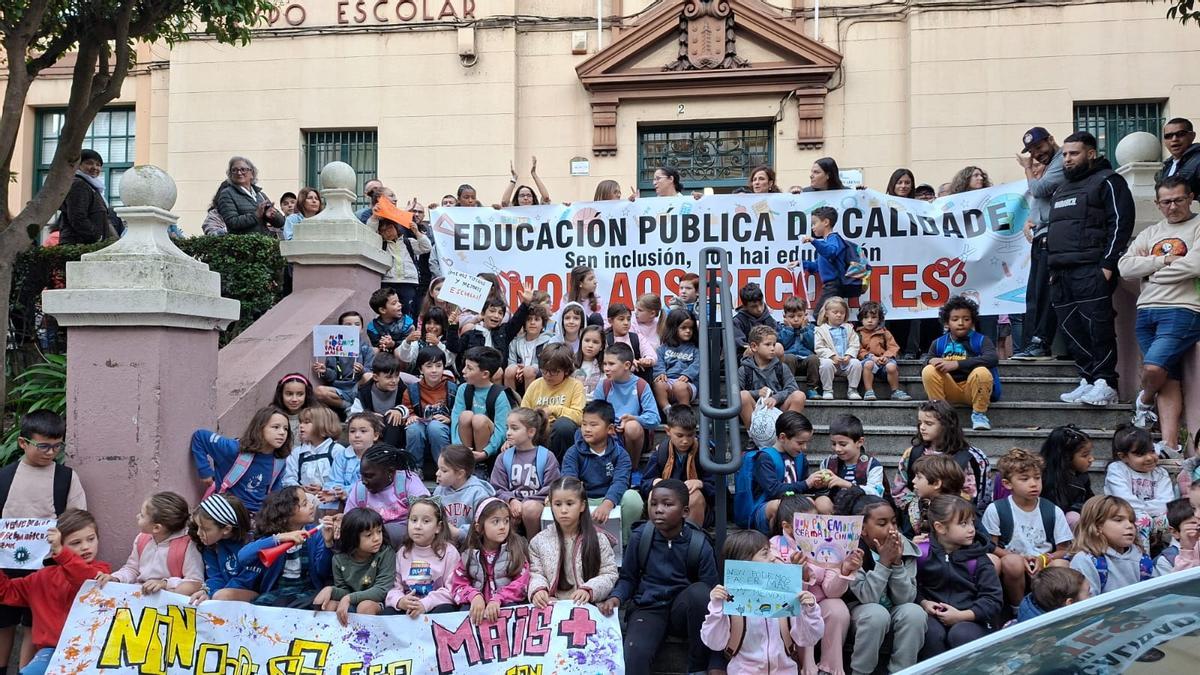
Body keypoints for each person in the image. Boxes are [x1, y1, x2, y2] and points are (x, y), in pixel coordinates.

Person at [1048, 130, 1135, 406]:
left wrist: (1108, 265)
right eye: (1064, 155)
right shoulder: (1061, 188)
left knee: (1098, 327)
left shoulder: (1108, 181)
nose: (1067, 159)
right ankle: (1087, 378)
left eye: (1074, 153)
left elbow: (1120, 223)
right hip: (1061, 272)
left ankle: (1106, 382)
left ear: (1091, 154)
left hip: (1091, 269)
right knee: (1072, 328)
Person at [599, 480, 720, 675]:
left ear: (685, 511)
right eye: (654, 504)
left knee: (700, 593)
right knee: (634, 656)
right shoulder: (640, 537)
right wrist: (616, 597)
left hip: (683, 612)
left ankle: (698, 667)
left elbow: (711, 594)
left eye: (667, 504)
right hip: (649, 608)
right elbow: (628, 578)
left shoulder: (699, 543)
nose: (659, 510)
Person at [1119, 176, 1200, 457]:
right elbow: (1125, 267)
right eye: (1166, 202)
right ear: (1157, 204)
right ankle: (1170, 445)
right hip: (1146, 311)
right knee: (1167, 377)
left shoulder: (1198, 226)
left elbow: (1197, 264)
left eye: (1178, 200)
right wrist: (1163, 261)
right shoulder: (1150, 232)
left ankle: (1143, 402)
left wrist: (1151, 273)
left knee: (1153, 369)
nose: (1172, 206)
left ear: (1191, 198)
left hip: (1183, 310)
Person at [0, 510, 109, 675]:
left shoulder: (101, 571)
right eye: (76, 542)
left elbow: (86, 582)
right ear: (55, 545)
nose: (86, 546)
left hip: (89, 652)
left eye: (91, 539)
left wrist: (62, 553)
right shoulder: (41, 577)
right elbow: (6, 592)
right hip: (50, 652)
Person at [701, 530, 824, 675]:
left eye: (771, 551)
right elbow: (713, 642)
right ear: (745, 562)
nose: (773, 558)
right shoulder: (729, 600)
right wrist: (716, 608)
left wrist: (809, 611)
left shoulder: (786, 596)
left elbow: (808, 638)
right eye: (765, 553)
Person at [769, 495, 854, 675]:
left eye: (815, 521)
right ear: (787, 526)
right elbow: (782, 591)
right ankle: (806, 667)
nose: (812, 527)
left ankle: (831, 668)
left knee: (837, 608)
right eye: (804, 523)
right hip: (791, 605)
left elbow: (832, 592)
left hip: (821, 602)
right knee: (800, 610)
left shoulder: (828, 543)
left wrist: (844, 570)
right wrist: (801, 574)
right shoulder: (775, 546)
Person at [982, 448, 1073, 614]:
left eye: (1037, 478)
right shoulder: (997, 509)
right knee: (1012, 563)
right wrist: (1019, 558)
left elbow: (1064, 549)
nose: (1033, 483)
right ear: (1007, 484)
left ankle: (1055, 609)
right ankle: (1018, 609)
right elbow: (991, 547)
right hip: (1013, 562)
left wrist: (1045, 558)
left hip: (1044, 561)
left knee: (1061, 565)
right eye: (1024, 479)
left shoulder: (1052, 510)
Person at [845, 497, 927, 675]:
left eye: (894, 522)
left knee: (914, 613)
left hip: (893, 608)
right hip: (860, 611)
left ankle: (903, 671)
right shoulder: (853, 551)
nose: (891, 529)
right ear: (863, 529)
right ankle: (861, 672)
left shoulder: (904, 548)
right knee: (876, 614)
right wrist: (883, 563)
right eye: (882, 524)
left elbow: (905, 598)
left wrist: (897, 564)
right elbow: (867, 597)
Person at [916, 495, 1002, 658]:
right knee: (930, 632)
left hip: (973, 620)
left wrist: (961, 616)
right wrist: (924, 602)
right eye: (963, 524)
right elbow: (911, 588)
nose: (971, 529)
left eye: (972, 522)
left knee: (960, 633)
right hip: (933, 616)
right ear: (940, 528)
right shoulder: (923, 554)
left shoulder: (979, 559)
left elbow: (993, 600)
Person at [1013, 126, 1067, 361]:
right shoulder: (1050, 164)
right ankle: (1032, 344)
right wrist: (1030, 221)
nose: (1036, 154)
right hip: (1042, 235)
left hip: (1053, 237)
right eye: (1032, 151)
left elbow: (1039, 189)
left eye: (1039, 147)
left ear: (1051, 140)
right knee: (1035, 294)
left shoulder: (1060, 160)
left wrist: (1027, 170)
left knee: (1044, 294)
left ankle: (1040, 343)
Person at [233, 487, 335, 606]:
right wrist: (278, 538)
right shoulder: (274, 538)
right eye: (304, 504)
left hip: (307, 593)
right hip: (276, 594)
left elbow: (321, 572)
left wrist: (328, 544)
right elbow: (243, 557)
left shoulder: (316, 535)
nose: (311, 505)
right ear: (287, 513)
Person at [528, 476, 619, 607]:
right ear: (550, 505)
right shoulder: (538, 542)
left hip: (587, 605)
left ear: (582, 505)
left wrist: (589, 590)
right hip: (552, 605)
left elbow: (609, 573)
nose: (563, 510)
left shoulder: (598, 539)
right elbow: (536, 573)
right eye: (558, 504)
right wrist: (539, 590)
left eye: (570, 504)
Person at [562, 400, 645, 543]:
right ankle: (572, 543)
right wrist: (580, 501)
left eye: (593, 425)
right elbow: (570, 480)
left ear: (610, 429)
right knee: (559, 499)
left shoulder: (621, 455)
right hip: (583, 499)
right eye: (584, 424)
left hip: (610, 498)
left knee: (633, 498)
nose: (587, 429)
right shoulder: (573, 452)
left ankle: (624, 543)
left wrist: (608, 503)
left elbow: (621, 482)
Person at [892, 400, 991, 520]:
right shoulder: (912, 453)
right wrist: (918, 510)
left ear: (946, 425)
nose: (922, 428)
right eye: (920, 423)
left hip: (956, 520)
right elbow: (899, 488)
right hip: (917, 522)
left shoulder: (971, 457)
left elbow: (978, 498)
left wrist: (942, 509)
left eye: (929, 423)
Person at [99, 492, 204, 596]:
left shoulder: (187, 545)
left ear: (156, 528)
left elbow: (195, 582)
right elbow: (132, 569)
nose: (137, 516)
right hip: (140, 595)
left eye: (142, 515)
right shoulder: (142, 539)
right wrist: (116, 578)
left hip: (168, 598)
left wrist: (165, 583)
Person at [190, 406, 291, 514]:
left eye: (285, 429)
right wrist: (205, 471)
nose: (282, 432)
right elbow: (200, 436)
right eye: (276, 427)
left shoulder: (279, 461)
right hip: (227, 512)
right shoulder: (233, 449)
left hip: (257, 517)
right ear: (260, 428)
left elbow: (275, 492)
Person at [921, 295, 1000, 431]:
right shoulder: (939, 343)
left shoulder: (981, 340)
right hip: (949, 392)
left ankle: (979, 414)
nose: (961, 323)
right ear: (947, 322)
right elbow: (926, 363)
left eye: (966, 319)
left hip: (974, 391)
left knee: (982, 371)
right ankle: (940, 414)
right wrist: (930, 360)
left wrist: (957, 364)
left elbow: (992, 358)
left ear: (973, 321)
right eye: (955, 319)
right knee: (928, 370)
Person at [448, 498, 531, 621]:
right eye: (496, 522)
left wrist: (499, 598)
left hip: (506, 604)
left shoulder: (515, 551)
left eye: (506, 521)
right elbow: (458, 584)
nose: (503, 527)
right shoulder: (468, 555)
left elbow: (521, 583)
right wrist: (474, 596)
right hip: (477, 607)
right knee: (465, 612)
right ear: (479, 527)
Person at [313, 507, 394, 625]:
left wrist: (349, 598)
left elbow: (381, 590)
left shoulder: (385, 553)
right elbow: (344, 589)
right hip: (350, 601)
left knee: (364, 607)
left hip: (376, 602)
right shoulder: (339, 559)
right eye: (369, 535)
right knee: (328, 605)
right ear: (352, 537)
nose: (377, 538)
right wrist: (330, 590)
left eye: (379, 531)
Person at [491, 408, 562, 536]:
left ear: (531, 432)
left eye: (514, 428)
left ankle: (532, 546)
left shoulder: (546, 456)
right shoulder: (503, 458)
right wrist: (512, 501)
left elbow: (551, 488)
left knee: (530, 508)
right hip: (511, 505)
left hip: (535, 506)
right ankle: (509, 548)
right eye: (507, 428)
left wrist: (523, 505)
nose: (508, 433)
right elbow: (497, 488)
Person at [387, 495, 462, 616]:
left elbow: (453, 589)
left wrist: (425, 604)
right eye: (414, 520)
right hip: (409, 606)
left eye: (426, 521)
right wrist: (400, 601)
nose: (417, 526)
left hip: (435, 605)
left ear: (438, 527)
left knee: (445, 609)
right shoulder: (402, 552)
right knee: (388, 613)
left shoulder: (449, 552)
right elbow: (394, 586)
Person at [641, 405, 714, 527]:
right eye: (679, 435)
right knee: (653, 494)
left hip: (697, 508)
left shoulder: (703, 452)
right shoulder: (661, 453)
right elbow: (644, 484)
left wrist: (701, 484)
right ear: (667, 431)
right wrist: (654, 482)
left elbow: (718, 488)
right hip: (667, 502)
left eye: (690, 435)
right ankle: (658, 538)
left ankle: (691, 538)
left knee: (695, 496)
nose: (685, 441)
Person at [1069, 495, 1158, 596]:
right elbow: (1086, 606)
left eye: (1131, 521)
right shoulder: (1085, 561)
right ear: (1097, 527)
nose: (1129, 525)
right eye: (1118, 520)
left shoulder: (1143, 560)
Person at [740, 412, 814, 530]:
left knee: (812, 502)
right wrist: (806, 483)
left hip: (793, 503)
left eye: (806, 443)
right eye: (800, 443)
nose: (804, 448)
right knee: (777, 506)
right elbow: (773, 490)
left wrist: (816, 483)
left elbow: (803, 485)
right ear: (782, 437)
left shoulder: (800, 458)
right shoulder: (765, 458)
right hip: (766, 508)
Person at [345, 443, 428, 547]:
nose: (363, 481)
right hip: (370, 542)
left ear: (390, 471)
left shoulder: (408, 482)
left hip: (407, 542)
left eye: (369, 476)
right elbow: (349, 521)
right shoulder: (360, 490)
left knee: (390, 531)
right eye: (362, 475)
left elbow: (427, 513)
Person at [1104, 425, 1176, 546]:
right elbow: (1125, 502)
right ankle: (1143, 559)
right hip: (1121, 517)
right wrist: (1146, 513)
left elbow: (1167, 502)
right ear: (1123, 456)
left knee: (1176, 518)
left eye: (1152, 451)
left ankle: (1173, 555)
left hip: (1153, 517)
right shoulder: (1117, 470)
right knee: (1143, 521)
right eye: (1140, 454)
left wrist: (1145, 511)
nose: (1149, 458)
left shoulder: (1160, 473)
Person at [595, 343, 659, 471]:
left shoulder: (641, 385)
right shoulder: (604, 385)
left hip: (634, 437)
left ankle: (632, 469)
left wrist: (633, 418)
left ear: (627, 365)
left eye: (611, 364)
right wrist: (611, 425)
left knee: (632, 426)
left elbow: (654, 419)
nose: (606, 368)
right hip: (610, 432)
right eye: (605, 364)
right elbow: (595, 412)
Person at [520, 343, 585, 460]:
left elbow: (579, 416)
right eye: (544, 371)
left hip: (561, 436)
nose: (548, 376)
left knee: (563, 426)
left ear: (566, 370)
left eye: (554, 372)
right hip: (538, 433)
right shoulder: (536, 385)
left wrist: (552, 409)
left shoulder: (575, 385)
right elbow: (523, 413)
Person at [451, 346, 513, 468]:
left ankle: (481, 465)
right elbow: (455, 419)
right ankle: (465, 460)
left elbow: (502, 429)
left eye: (469, 368)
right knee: (465, 416)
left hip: (488, 447)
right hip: (466, 444)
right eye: (465, 366)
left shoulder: (499, 394)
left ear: (485, 374)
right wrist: (458, 447)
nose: (463, 371)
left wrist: (486, 452)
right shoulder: (463, 389)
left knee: (479, 419)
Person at [187, 494, 254, 604]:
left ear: (226, 529)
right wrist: (206, 591)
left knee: (221, 596)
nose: (199, 533)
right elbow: (216, 576)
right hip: (224, 593)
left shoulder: (251, 544)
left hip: (252, 593)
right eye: (198, 527)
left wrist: (214, 594)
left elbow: (246, 581)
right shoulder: (212, 545)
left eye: (205, 529)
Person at [401, 347, 457, 475]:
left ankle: (444, 468)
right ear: (421, 369)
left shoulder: (452, 388)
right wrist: (410, 416)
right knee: (413, 428)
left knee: (435, 427)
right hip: (420, 426)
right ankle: (414, 469)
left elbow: (459, 410)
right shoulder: (412, 390)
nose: (434, 370)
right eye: (429, 366)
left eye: (438, 366)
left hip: (441, 429)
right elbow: (407, 410)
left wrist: (450, 418)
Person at [738, 325, 807, 426]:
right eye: (767, 344)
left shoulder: (781, 367)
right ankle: (753, 436)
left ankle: (786, 433)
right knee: (742, 395)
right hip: (756, 412)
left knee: (799, 396)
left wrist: (776, 398)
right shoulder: (744, 370)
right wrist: (757, 393)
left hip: (778, 411)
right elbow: (734, 396)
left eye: (774, 345)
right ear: (754, 347)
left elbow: (792, 389)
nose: (772, 348)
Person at [282, 406, 344, 511]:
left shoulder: (337, 451)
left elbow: (343, 479)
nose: (301, 426)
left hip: (331, 503)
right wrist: (300, 489)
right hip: (304, 503)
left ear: (323, 425)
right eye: (301, 422)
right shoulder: (297, 453)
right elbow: (288, 478)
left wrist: (324, 489)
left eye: (307, 422)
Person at [313, 310, 375, 413]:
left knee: (368, 376)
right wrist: (325, 371)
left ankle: (358, 405)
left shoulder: (366, 349)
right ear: (340, 328)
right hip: (339, 389)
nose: (353, 327)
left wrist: (362, 370)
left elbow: (371, 372)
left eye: (357, 324)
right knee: (319, 391)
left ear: (362, 329)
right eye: (348, 325)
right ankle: (349, 407)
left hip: (358, 387)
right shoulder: (335, 349)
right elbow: (332, 376)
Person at [802, 206, 865, 307]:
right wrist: (801, 263)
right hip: (830, 286)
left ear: (826, 222)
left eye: (814, 223)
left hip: (834, 285)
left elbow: (831, 252)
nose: (812, 227)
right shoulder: (825, 243)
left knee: (820, 314)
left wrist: (813, 241)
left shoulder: (834, 239)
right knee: (827, 314)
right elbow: (817, 266)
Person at [434, 444, 497, 543]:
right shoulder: (439, 491)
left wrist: (459, 533)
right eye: (438, 468)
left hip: (471, 546)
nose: (437, 473)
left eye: (444, 470)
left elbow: (484, 524)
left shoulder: (478, 493)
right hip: (444, 544)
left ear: (460, 474)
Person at [817, 414, 886, 499]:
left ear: (860, 442)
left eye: (843, 444)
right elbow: (823, 492)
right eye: (833, 444)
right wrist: (819, 485)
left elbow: (876, 493)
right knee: (822, 501)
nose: (837, 449)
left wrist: (848, 485)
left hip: (862, 507)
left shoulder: (872, 465)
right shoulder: (828, 463)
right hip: (835, 505)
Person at [1039, 425, 1095, 527]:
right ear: (1066, 457)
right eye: (1085, 455)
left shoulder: (1082, 475)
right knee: (1073, 518)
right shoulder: (1047, 480)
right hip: (1059, 527)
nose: (1091, 459)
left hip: (1080, 519)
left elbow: (1090, 500)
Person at [58, 149, 118, 244]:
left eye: (98, 165)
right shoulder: (78, 184)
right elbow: (77, 217)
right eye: (89, 163)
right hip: (80, 244)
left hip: (89, 244)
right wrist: (97, 237)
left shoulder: (92, 186)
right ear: (78, 165)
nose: (95, 167)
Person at [347, 353, 406, 448]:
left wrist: (399, 410)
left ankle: (388, 452)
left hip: (395, 431)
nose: (394, 381)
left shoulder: (402, 389)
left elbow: (408, 407)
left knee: (393, 417)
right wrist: (368, 416)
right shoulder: (364, 392)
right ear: (375, 377)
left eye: (396, 376)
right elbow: (353, 414)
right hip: (373, 430)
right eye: (388, 377)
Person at [215, 156, 284, 236]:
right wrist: (256, 215)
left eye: (243, 169)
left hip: (264, 243)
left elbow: (281, 222)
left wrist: (272, 216)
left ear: (252, 173)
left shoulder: (260, 195)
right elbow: (232, 222)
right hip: (244, 245)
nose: (239, 173)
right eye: (234, 170)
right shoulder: (227, 194)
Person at [326, 412, 383, 507]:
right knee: (329, 505)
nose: (357, 435)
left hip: (372, 500)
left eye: (363, 431)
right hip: (342, 498)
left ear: (375, 436)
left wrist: (347, 492)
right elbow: (334, 481)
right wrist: (336, 491)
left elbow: (375, 486)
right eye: (352, 431)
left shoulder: (379, 457)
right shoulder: (341, 456)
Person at [857, 300, 909, 401]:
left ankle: (895, 391)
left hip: (884, 361)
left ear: (880, 319)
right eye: (866, 317)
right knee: (868, 364)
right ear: (861, 320)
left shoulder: (885, 332)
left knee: (891, 366)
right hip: (868, 361)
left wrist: (886, 356)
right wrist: (872, 357)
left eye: (874, 317)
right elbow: (858, 350)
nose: (870, 320)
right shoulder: (858, 334)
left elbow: (893, 347)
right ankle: (869, 391)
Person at [815, 296, 863, 400]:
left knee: (856, 364)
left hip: (846, 362)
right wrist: (831, 356)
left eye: (842, 312)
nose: (839, 315)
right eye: (835, 312)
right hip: (831, 361)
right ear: (827, 313)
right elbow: (819, 347)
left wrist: (849, 355)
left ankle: (852, 389)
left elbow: (854, 344)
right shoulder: (820, 330)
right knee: (825, 365)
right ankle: (827, 390)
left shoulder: (849, 328)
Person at [652, 308, 700, 410]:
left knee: (679, 386)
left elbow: (698, 364)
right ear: (673, 328)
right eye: (683, 328)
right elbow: (658, 362)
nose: (688, 331)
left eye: (691, 328)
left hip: (688, 385)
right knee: (658, 385)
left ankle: (685, 411)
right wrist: (660, 372)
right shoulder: (663, 348)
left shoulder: (695, 349)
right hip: (668, 381)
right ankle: (667, 410)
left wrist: (688, 374)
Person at [778, 296, 820, 399]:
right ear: (785, 317)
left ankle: (812, 388)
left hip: (806, 359)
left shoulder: (811, 328)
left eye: (799, 315)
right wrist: (789, 329)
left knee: (814, 359)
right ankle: (789, 388)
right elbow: (783, 344)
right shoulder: (781, 328)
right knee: (788, 358)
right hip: (791, 360)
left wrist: (804, 329)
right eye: (791, 316)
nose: (796, 319)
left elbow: (813, 345)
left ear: (805, 315)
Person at [1014, 567, 1089, 623]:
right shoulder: (1049, 634)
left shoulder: (1032, 607)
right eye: (1088, 593)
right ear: (1070, 603)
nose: (1091, 595)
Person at [732, 282, 780, 355]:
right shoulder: (737, 322)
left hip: (770, 354)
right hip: (746, 359)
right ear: (745, 306)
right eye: (754, 306)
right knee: (751, 351)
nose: (759, 309)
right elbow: (740, 346)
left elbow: (778, 340)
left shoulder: (770, 320)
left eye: (761, 304)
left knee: (779, 348)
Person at [1161, 117, 1200, 197]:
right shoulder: (1167, 167)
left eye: (1180, 134)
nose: (1174, 139)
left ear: (1192, 136)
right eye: (1168, 136)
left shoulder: (1198, 161)